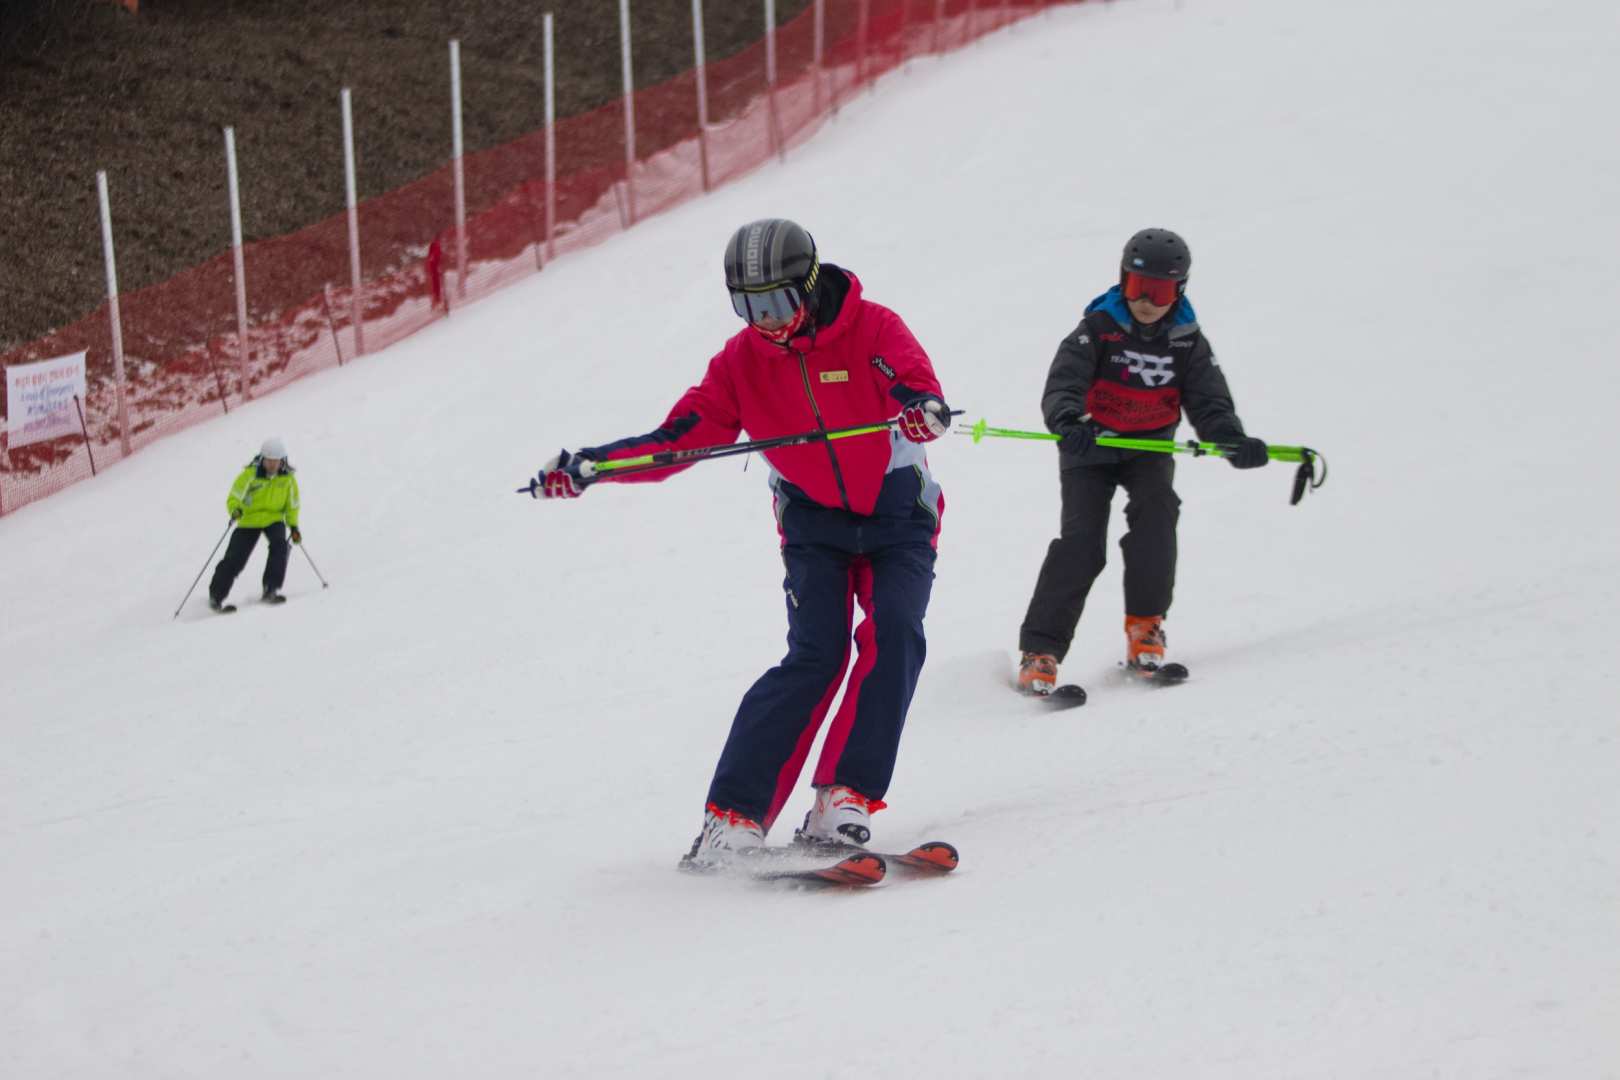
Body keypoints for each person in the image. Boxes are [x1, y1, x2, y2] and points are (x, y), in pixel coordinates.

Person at [527, 218, 951, 867]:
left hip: (898, 516)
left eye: (777, 303)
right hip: (813, 526)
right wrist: (594, 466)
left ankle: (844, 798)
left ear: (809, 285)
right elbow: (679, 439)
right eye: (748, 308)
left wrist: (923, 409)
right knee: (816, 655)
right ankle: (731, 818)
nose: (766, 322)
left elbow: (914, 384)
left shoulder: (872, 328)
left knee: (896, 632)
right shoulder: (741, 364)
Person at [1016, 228, 1269, 693]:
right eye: (1138, 288)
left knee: (1157, 516)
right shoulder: (1097, 329)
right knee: (1081, 545)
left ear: (1180, 291)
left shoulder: (1187, 341)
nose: (1148, 302)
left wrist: (1231, 440)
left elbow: (1209, 401)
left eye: (1161, 291)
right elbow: (1064, 383)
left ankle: (1145, 627)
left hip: (1149, 448)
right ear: (1122, 281)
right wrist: (1067, 421)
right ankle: (1041, 650)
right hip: (1090, 447)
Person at [209, 436, 302, 611]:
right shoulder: (250, 475)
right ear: (262, 459)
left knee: (280, 546)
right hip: (249, 519)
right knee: (236, 557)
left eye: (276, 461)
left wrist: (293, 526)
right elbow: (234, 496)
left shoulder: (287, 479)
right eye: (269, 461)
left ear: (282, 461)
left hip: (274, 518)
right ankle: (216, 595)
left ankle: (271, 588)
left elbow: (293, 505)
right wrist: (235, 510)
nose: (272, 465)